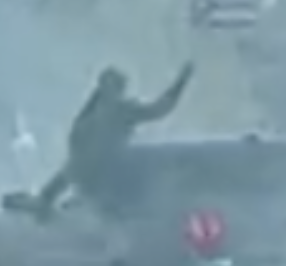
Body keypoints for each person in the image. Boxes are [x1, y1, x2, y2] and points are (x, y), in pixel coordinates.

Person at [33, 62, 195, 216]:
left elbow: (160, 109)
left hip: (108, 174)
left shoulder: (124, 109)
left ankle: (58, 204)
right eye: (110, 84)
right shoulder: (90, 112)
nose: (114, 90)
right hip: (84, 172)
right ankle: (46, 205)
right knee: (61, 185)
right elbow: (76, 146)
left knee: (76, 188)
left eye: (117, 85)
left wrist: (179, 84)